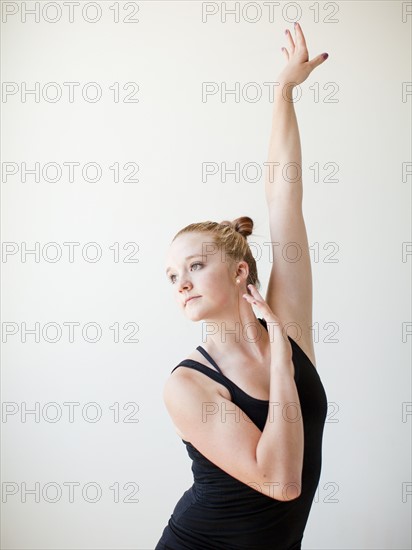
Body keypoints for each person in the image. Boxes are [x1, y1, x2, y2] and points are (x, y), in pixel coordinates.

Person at [156, 22, 329, 550]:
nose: (181, 284)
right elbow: (281, 481)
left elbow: (283, 200)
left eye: (195, 267)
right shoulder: (188, 385)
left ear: (239, 272)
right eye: (171, 276)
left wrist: (283, 92)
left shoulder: (288, 323)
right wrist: (281, 361)